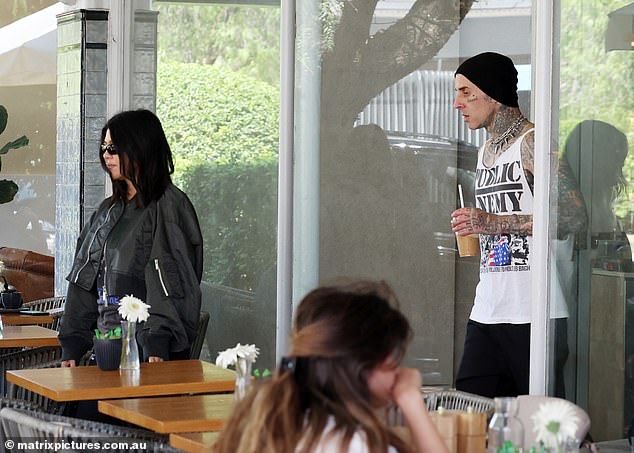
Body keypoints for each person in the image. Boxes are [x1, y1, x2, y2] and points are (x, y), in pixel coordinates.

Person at [213, 280, 449, 453]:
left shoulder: (265, 422)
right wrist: (410, 399)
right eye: (392, 362)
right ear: (360, 367)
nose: (400, 372)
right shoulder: (357, 445)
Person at [59, 109, 203, 366]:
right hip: (103, 351)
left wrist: (158, 342)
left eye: (114, 147)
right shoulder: (107, 211)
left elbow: (171, 282)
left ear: (140, 148)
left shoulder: (168, 206)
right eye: (104, 146)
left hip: (145, 356)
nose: (106, 154)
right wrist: (73, 344)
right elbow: (84, 279)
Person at [450, 52, 535, 397]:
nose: (458, 103)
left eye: (467, 93)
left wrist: (494, 221)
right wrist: (479, 225)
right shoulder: (484, 150)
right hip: (488, 305)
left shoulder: (531, 142)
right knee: (471, 408)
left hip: (531, 308)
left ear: (494, 94)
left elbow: (571, 218)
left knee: (533, 423)